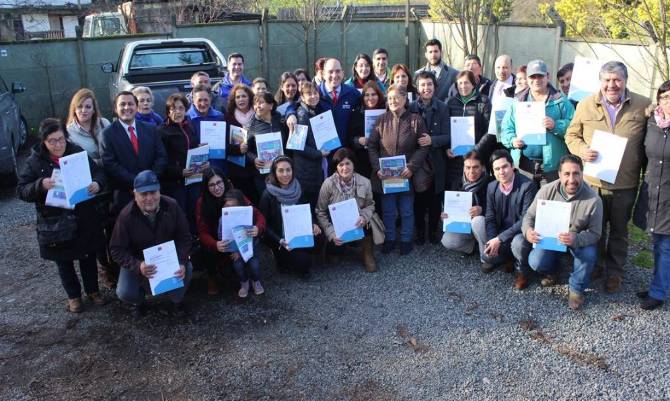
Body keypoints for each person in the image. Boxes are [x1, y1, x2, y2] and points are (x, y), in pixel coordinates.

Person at [565, 61, 650, 293]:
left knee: (620, 231)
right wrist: (582, 150)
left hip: (626, 184)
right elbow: (571, 135)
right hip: (593, 184)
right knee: (596, 229)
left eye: (617, 80)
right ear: (601, 82)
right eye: (607, 80)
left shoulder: (643, 105)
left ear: (625, 81)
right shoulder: (585, 104)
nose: (612, 85)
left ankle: (615, 272)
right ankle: (597, 265)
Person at [17, 118, 107, 313]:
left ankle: (93, 290)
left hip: (83, 215)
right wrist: (40, 185)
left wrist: (97, 184)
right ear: (44, 142)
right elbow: (21, 190)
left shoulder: (77, 153)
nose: (57, 145)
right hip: (55, 220)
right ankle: (73, 296)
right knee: (63, 260)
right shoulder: (34, 161)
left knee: (87, 255)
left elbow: (99, 173)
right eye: (52, 141)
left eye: (61, 139)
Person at [523, 154, 603, 310]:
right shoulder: (546, 191)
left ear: (582, 173)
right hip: (551, 240)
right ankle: (553, 270)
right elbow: (529, 216)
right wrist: (528, 231)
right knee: (535, 262)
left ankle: (576, 288)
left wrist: (576, 239)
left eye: (576, 174)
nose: (571, 179)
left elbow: (595, 233)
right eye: (567, 174)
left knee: (589, 254)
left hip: (577, 239)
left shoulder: (594, 200)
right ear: (559, 174)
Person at [110, 170, 191, 317]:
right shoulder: (126, 216)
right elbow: (116, 249)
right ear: (135, 195)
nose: (149, 198)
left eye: (153, 192)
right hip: (139, 261)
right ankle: (139, 301)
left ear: (159, 191)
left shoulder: (172, 206)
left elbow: (184, 237)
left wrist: (181, 261)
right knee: (124, 292)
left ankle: (176, 301)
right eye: (143, 194)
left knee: (188, 268)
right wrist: (137, 265)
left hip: (169, 259)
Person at [368, 84, 430, 255]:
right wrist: (377, 167)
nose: (393, 101)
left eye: (396, 97)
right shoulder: (381, 120)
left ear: (405, 99)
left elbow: (423, 147)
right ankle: (389, 239)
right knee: (388, 211)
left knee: (407, 210)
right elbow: (372, 146)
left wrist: (412, 166)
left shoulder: (415, 120)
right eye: (390, 98)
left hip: (406, 174)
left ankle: (405, 239)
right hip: (386, 175)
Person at [501, 59, 575, 186]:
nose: (536, 80)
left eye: (540, 76)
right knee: (525, 203)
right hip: (524, 166)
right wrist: (512, 140)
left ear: (547, 76)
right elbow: (506, 129)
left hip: (552, 167)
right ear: (527, 78)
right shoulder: (518, 102)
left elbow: (575, 127)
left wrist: (556, 125)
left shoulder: (561, 101)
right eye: (532, 76)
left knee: (548, 203)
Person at [196, 167, 265, 295]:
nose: (216, 188)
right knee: (206, 251)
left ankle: (251, 278)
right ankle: (212, 277)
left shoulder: (235, 195)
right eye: (211, 185)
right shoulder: (202, 202)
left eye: (219, 182)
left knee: (239, 268)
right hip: (219, 243)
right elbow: (202, 231)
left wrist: (258, 228)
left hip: (239, 242)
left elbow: (257, 214)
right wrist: (214, 244)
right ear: (206, 187)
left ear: (225, 181)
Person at [101, 91, 167, 215]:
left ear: (136, 107)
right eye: (122, 104)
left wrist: (149, 180)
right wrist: (137, 183)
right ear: (115, 108)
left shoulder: (151, 129)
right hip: (125, 194)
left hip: (152, 191)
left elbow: (161, 156)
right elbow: (110, 165)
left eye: (130, 104)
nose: (127, 107)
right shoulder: (107, 134)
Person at [636, 81, 670, 310]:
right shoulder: (651, 122)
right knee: (657, 242)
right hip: (652, 190)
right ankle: (658, 285)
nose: (669, 101)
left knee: (665, 246)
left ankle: (658, 292)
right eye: (665, 97)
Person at [316, 147, 377, 272]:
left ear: (354, 164)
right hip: (336, 228)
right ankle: (334, 250)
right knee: (334, 258)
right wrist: (331, 233)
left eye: (348, 163)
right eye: (341, 164)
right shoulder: (328, 184)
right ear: (336, 167)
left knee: (370, 222)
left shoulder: (365, 182)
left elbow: (370, 205)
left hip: (358, 223)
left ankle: (368, 254)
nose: (345, 168)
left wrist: (364, 217)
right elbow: (320, 211)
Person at [259, 156, 321, 279]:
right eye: (281, 170)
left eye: (288, 170)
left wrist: (313, 224)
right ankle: (280, 256)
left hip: (299, 232)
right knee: (303, 263)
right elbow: (264, 225)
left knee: (320, 238)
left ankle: (297, 257)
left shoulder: (298, 187)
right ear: (274, 172)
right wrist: (279, 240)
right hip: (280, 238)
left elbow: (307, 209)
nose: (285, 174)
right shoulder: (268, 194)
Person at [482, 150, 536, 290]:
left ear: (512, 166)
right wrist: (492, 239)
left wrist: (499, 239)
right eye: (497, 169)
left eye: (505, 166)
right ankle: (508, 259)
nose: (502, 172)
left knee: (518, 243)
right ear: (493, 172)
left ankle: (522, 271)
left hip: (521, 233)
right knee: (488, 256)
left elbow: (525, 220)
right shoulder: (491, 187)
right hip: (502, 233)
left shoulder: (528, 186)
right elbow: (490, 217)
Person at [410, 71, 451, 244]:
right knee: (419, 198)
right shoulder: (411, 107)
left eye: (429, 84)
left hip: (437, 160)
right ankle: (419, 232)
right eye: (422, 85)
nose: (426, 88)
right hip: (417, 161)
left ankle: (433, 232)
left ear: (435, 86)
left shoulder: (442, 107)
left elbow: (448, 136)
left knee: (435, 198)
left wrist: (431, 140)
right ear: (417, 88)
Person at [157, 93, 203, 232]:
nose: (177, 112)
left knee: (194, 212)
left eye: (181, 108)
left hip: (193, 180)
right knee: (179, 215)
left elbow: (192, 149)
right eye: (173, 108)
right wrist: (179, 172)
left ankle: (196, 243)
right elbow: (161, 161)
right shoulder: (162, 131)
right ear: (168, 111)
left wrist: (201, 154)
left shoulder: (189, 126)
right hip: (175, 183)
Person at [446, 71, 496, 189]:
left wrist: (476, 150)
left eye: (466, 83)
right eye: (460, 83)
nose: (463, 86)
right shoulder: (450, 102)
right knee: (456, 188)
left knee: (476, 188)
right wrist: (447, 147)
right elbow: (445, 129)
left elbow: (490, 130)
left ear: (473, 84)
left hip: (477, 156)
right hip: (455, 157)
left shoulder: (483, 101)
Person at [440, 150, 491, 260]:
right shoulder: (457, 183)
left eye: (475, 167)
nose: (471, 171)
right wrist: (445, 216)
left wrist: (482, 210)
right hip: (465, 226)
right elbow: (451, 209)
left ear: (482, 167)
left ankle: (486, 256)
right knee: (447, 240)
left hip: (486, 226)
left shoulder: (491, 183)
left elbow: (499, 209)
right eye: (468, 167)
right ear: (463, 168)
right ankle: (471, 247)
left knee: (478, 221)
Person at [218, 189, 265, 298]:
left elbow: (255, 239)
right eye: (227, 206)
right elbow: (221, 236)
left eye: (233, 206)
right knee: (238, 266)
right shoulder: (222, 220)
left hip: (250, 249)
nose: (230, 209)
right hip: (234, 251)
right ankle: (244, 283)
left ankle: (256, 281)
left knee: (255, 266)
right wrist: (232, 250)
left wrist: (247, 249)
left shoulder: (248, 218)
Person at [293, 82, 328, 209]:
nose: (313, 96)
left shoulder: (313, 111)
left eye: (315, 93)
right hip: (305, 173)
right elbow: (297, 146)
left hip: (312, 170)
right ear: (302, 97)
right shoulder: (302, 115)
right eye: (309, 94)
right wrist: (319, 153)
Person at [246, 92, 289, 196]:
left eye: (261, 103)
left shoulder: (279, 119)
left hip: (282, 172)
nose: (257, 106)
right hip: (263, 175)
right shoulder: (251, 124)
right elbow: (246, 150)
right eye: (255, 104)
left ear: (271, 105)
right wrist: (254, 159)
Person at [317, 58, 361, 156]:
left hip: (346, 155)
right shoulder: (314, 93)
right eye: (330, 72)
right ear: (323, 74)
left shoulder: (353, 93)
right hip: (323, 154)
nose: (334, 75)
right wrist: (291, 114)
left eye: (337, 71)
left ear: (343, 73)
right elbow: (299, 106)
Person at [224, 84, 258, 203]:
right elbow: (224, 147)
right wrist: (238, 149)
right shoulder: (228, 119)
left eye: (244, 96)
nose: (241, 99)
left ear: (250, 98)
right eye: (238, 97)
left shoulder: (258, 116)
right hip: (237, 172)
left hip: (256, 169)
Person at [348, 80, 386, 181]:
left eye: (374, 94)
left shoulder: (386, 111)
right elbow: (349, 137)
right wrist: (358, 140)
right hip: (363, 160)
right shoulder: (357, 112)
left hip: (382, 157)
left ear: (379, 95)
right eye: (367, 95)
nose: (370, 98)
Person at [66, 88, 110, 167]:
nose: (83, 110)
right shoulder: (68, 132)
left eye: (88, 107)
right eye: (79, 107)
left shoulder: (104, 123)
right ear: (74, 110)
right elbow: (74, 162)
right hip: (91, 175)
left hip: (113, 171)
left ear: (94, 110)